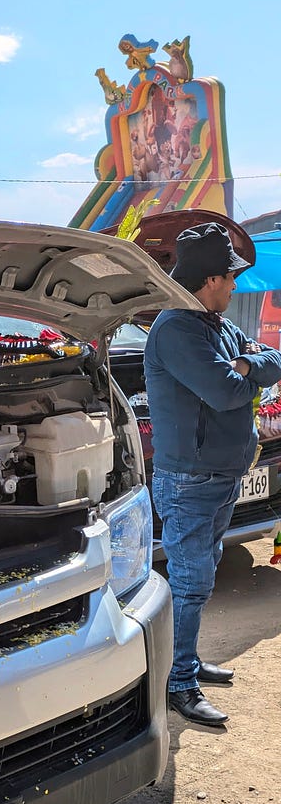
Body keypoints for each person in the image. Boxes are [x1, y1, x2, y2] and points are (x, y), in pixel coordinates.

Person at [144, 221, 281, 726]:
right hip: (191, 482)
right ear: (208, 281)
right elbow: (224, 393)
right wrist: (248, 372)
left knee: (200, 575)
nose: (235, 285)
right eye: (229, 278)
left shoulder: (217, 327)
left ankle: (188, 661)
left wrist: (244, 365)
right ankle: (178, 682)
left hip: (220, 477)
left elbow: (274, 360)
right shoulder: (177, 328)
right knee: (190, 581)